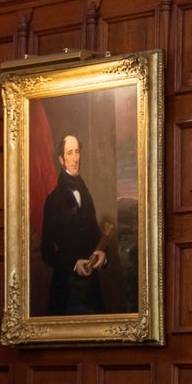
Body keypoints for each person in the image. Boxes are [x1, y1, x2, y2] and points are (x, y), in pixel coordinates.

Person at [38, 134, 112, 315]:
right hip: (66, 289)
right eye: (70, 153)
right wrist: (73, 264)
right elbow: (46, 252)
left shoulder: (86, 194)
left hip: (91, 288)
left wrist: (103, 255)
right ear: (61, 159)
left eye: (77, 152)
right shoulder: (53, 200)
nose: (75, 158)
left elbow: (95, 234)